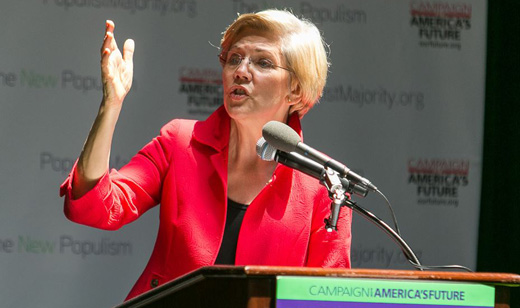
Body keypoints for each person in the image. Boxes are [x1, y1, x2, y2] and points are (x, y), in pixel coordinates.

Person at [60, 9, 352, 301]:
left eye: (263, 62)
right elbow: (94, 206)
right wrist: (110, 104)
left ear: (296, 90)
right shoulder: (179, 142)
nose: (241, 70)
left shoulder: (325, 186)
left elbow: (329, 298)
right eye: (235, 58)